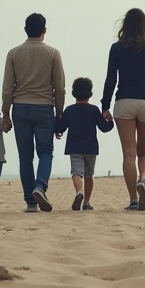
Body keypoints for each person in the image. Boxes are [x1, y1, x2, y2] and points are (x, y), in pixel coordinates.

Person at [101, 8, 145, 212]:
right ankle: (143, 179)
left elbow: (110, 79)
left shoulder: (116, 48)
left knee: (129, 154)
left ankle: (133, 199)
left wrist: (104, 106)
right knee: (144, 152)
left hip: (124, 101)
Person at [2, 12, 66, 213]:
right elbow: (59, 87)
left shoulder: (13, 53)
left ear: (25, 30)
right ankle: (40, 186)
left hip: (20, 107)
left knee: (25, 156)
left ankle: (30, 201)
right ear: (44, 31)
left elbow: (7, 87)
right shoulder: (53, 53)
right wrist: (60, 113)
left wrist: (5, 113)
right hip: (45, 107)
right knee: (46, 152)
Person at [55, 77, 114, 211]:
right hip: (91, 148)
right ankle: (86, 202)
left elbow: (60, 127)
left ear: (73, 93)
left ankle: (79, 192)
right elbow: (104, 128)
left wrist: (56, 121)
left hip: (74, 147)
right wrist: (110, 121)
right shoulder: (94, 110)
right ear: (90, 94)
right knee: (89, 175)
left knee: (76, 172)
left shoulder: (69, 110)